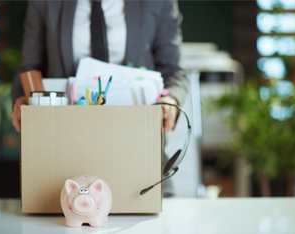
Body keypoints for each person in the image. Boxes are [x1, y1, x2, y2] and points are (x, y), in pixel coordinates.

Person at [11, 0, 188, 196]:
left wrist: (171, 99)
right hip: (64, 151)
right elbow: (30, 66)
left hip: (137, 150)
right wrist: (24, 97)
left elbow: (173, 71)